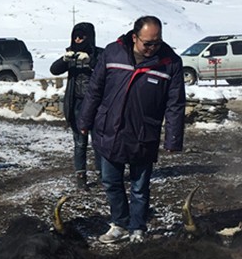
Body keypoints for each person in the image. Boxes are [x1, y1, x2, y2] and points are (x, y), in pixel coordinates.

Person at [78, 15, 185, 244]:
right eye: (148, 43)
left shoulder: (170, 62)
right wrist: (84, 122)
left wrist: (173, 138)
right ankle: (119, 223)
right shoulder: (112, 53)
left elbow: (175, 103)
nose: (153, 48)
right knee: (111, 182)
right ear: (134, 37)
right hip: (110, 131)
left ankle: (137, 227)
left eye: (157, 42)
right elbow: (95, 90)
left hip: (143, 134)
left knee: (139, 187)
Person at [49, 22, 104, 190]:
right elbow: (54, 70)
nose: (78, 40)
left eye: (81, 37)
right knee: (80, 142)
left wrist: (91, 61)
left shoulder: (100, 54)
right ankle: (81, 177)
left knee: (98, 141)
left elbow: (106, 71)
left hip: (96, 103)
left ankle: (103, 175)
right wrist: (64, 60)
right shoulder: (71, 54)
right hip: (76, 103)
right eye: (75, 37)